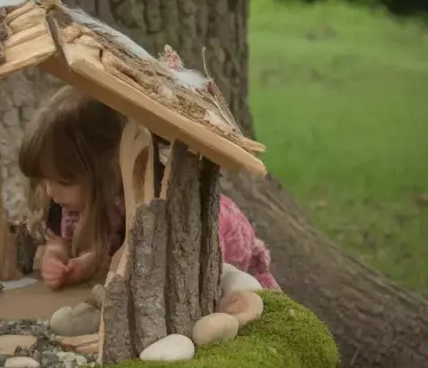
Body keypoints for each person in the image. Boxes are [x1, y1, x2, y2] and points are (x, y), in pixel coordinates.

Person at [19, 85, 280, 291]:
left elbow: (154, 265)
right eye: (44, 181)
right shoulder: (78, 200)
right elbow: (66, 241)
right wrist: (61, 258)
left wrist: (95, 262)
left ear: (110, 171)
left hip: (221, 261)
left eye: (64, 182)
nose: (51, 192)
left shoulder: (154, 205)